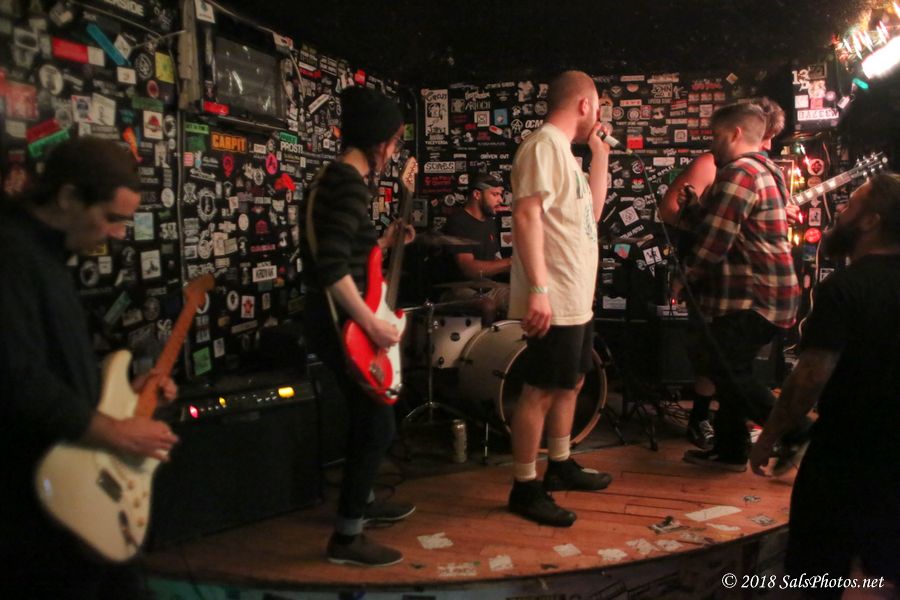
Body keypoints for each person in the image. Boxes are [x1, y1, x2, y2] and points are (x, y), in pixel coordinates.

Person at [0, 137, 179, 600]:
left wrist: (125, 394)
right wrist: (116, 432)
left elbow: (49, 366)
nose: (118, 234)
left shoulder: (47, 254)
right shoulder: (12, 254)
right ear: (68, 197)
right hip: (35, 506)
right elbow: (16, 378)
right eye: (111, 217)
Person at [750, 173, 900, 596]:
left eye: (851, 205)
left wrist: (770, 436)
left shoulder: (846, 288)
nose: (839, 213)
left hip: (848, 453)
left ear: (870, 221)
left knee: (821, 568)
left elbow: (809, 377)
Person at [300, 86, 416, 567]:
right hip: (344, 323)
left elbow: (342, 251)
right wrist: (373, 325)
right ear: (381, 142)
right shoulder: (349, 183)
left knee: (364, 418)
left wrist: (382, 243)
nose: (394, 150)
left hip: (331, 318)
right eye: (394, 141)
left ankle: (363, 501)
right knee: (377, 423)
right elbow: (332, 268)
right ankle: (347, 537)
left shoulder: (331, 178)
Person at [506, 70, 613, 527]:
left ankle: (561, 463)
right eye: (598, 107)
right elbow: (525, 216)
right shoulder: (543, 147)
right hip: (554, 294)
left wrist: (600, 157)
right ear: (585, 104)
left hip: (576, 297)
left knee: (572, 382)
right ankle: (524, 487)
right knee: (540, 389)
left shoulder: (566, 154)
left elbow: (593, 214)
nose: (599, 116)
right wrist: (538, 289)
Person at [673, 102, 803, 472]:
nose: (711, 144)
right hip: (766, 295)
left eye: (716, 136)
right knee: (730, 367)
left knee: (727, 368)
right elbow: (726, 223)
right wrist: (696, 209)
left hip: (755, 296)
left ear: (735, 133)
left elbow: (715, 242)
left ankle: (796, 432)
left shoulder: (740, 172)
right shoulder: (762, 170)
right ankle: (730, 451)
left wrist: (685, 277)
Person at [440, 172, 512, 320]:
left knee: (522, 296)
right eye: (495, 194)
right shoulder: (458, 222)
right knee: (487, 305)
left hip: (485, 286)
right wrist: (510, 263)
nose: (500, 200)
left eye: (500, 195)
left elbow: (493, 260)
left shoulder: (489, 221)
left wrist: (518, 268)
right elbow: (468, 268)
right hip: (458, 288)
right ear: (477, 195)